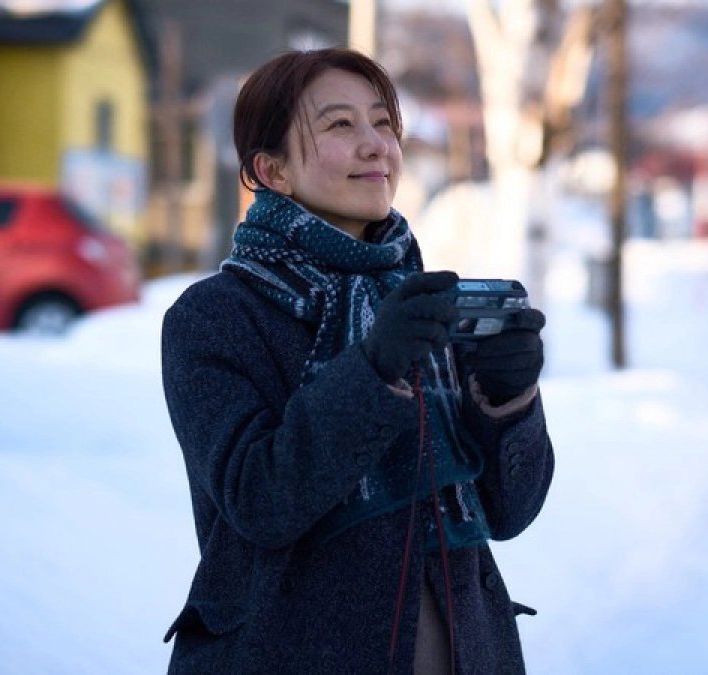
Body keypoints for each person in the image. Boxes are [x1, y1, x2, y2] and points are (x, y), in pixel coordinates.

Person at [160, 47, 554, 674]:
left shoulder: (420, 304)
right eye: (340, 124)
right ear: (272, 170)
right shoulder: (215, 317)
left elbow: (510, 511)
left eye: (383, 122)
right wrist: (372, 370)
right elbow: (260, 501)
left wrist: (509, 402)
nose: (376, 146)